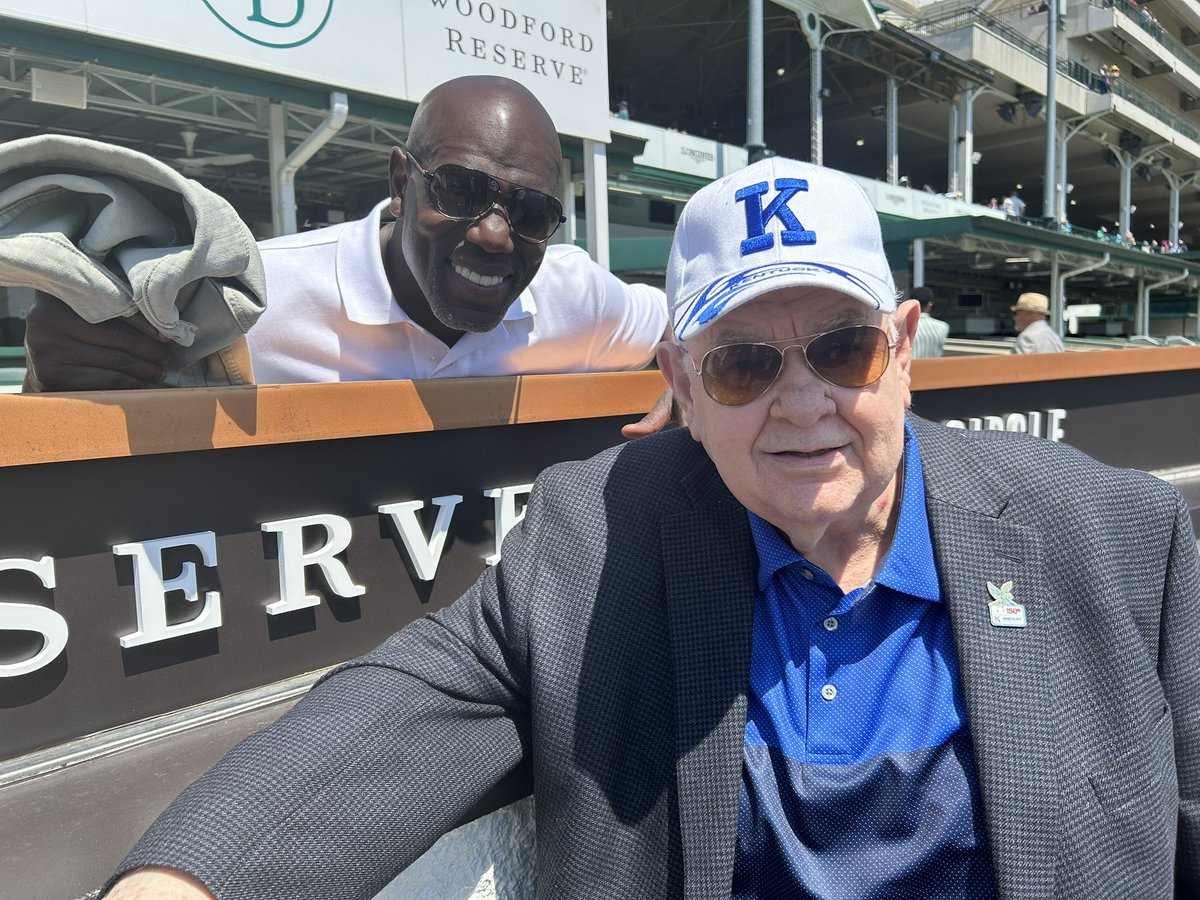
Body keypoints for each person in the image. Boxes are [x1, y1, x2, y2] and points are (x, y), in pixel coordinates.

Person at [103, 157, 1199, 899]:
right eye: (744, 365)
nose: (804, 402)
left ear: (907, 346)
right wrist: (180, 882)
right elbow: (401, 710)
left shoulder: (1111, 538)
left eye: (843, 348)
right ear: (678, 376)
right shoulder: (599, 533)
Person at [21, 75, 673, 437]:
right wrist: (63, 370)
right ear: (400, 183)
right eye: (462, 190)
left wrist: (694, 372)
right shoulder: (251, 299)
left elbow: (681, 321)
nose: (496, 234)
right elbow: (93, 420)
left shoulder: (572, 293)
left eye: (531, 213)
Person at [910, 285, 950, 358]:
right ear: (930, 304)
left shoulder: (904, 327)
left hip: (912, 368)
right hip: (934, 368)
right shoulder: (943, 327)